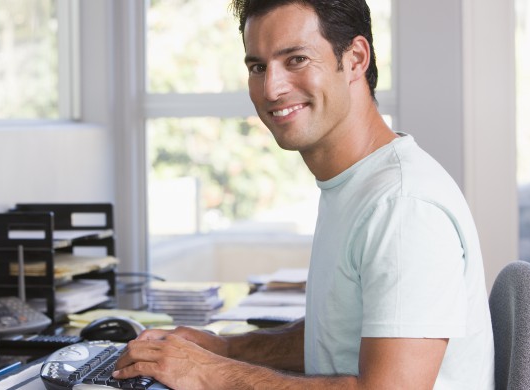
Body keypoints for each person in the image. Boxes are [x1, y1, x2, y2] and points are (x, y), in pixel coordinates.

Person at [113, 0, 495, 388]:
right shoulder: (358, 183)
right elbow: (339, 333)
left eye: (295, 59)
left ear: (355, 59)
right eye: (258, 67)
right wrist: (225, 348)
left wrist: (210, 373)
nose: (271, 88)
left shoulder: (402, 207)